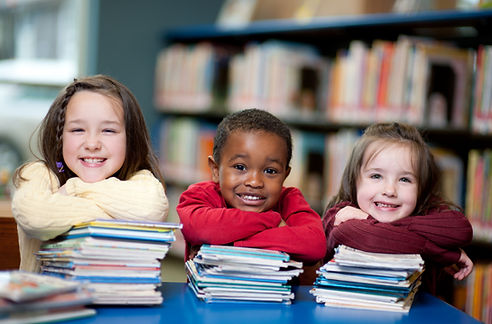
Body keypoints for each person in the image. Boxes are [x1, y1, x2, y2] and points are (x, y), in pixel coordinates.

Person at [11, 75, 169, 273]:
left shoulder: (140, 180)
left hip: (119, 300)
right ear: (59, 137)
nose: (92, 144)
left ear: (130, 139)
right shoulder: (39, 173)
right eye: (78, 130)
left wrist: (74, 188)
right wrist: (114, 218)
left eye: (108, 130)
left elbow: (152, 208)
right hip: (48, 302)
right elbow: (34, 216)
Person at [322, 122, 473, 294]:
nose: (389, 191)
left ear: (421, 187)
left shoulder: (422, 208)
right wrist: (442, 253)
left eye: (404, 180)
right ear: (354, 180)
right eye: (376, 176)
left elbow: (461, 230)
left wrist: (368, 221)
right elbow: (370, 238)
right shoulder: (339, 214)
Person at [176, 108, 326, 267]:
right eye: (240, 167)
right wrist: (271, 220)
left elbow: (314, 244)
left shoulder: (289, 199)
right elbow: (198, 228)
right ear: (215, 169)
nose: (255, 182)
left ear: (285, 176)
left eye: (270, 171)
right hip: (211, 292)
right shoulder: (200, 194)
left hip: (273, 292)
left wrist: (226, 243)